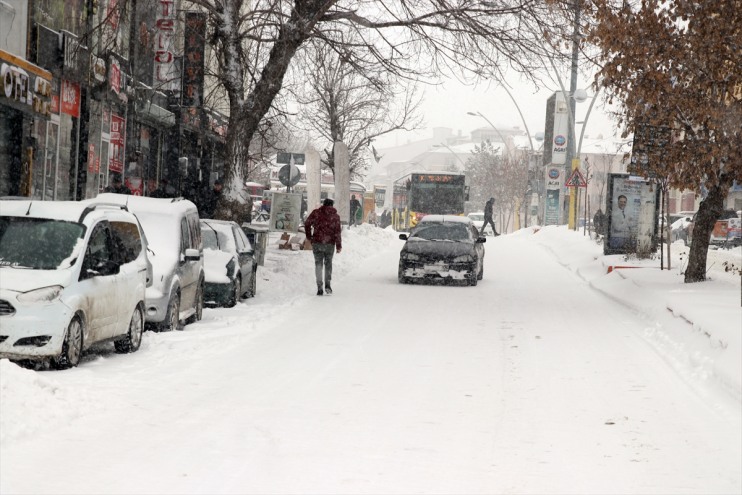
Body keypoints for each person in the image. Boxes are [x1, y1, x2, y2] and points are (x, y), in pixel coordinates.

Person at [304, 198, 342, 296]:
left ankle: (319, 287)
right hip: (330, 244)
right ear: (332, 205)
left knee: (318, 264)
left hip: (317, 242)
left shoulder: (316, 213)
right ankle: (328, 285)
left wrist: (309, 237)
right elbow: (337, 232)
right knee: (328, 264)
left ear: (323, 204)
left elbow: (307, 223)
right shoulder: (335, 216)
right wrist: (338, 246)